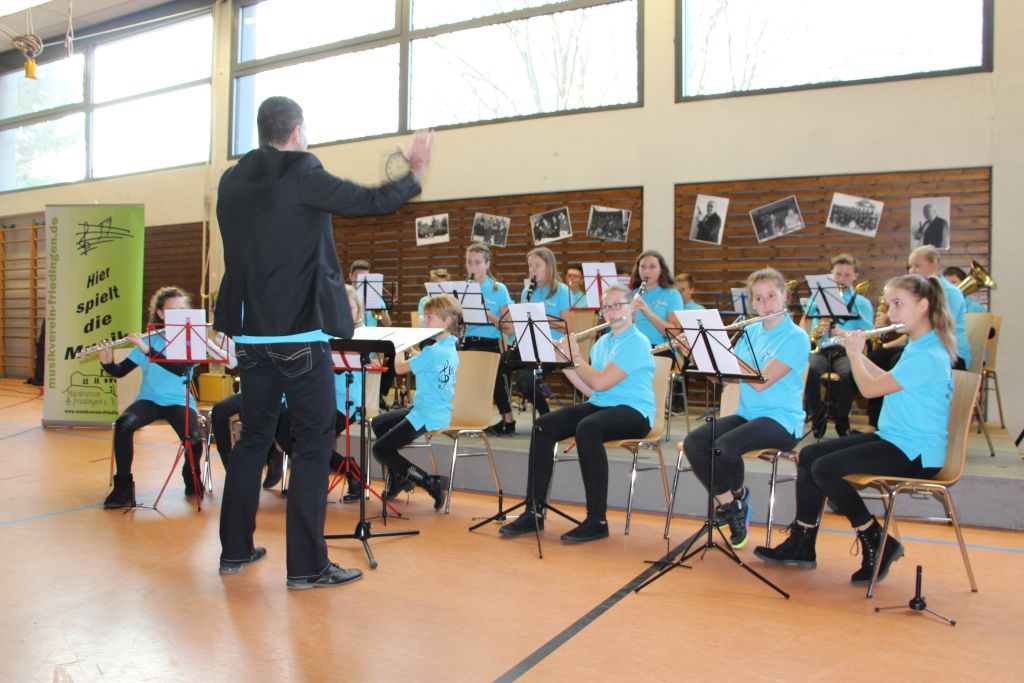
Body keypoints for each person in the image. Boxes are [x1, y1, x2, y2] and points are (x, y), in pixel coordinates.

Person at [214, 95, 432, 589]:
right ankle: (308, 566)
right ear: (295, 133)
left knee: (254, 438)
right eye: (305, 132)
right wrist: (415, 170)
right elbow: (372, 201)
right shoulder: (302, 170)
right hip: (299, 333)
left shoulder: (231, 180)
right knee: (313, 444)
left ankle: (235, 549)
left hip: (249, 334)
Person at [755, 274, 955, 585]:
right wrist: (857, 353)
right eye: (889, 305)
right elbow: (887, 380)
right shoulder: (918, 346)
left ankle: (874, 537)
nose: (891, 313)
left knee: (825, 468)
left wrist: (853, 355)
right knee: (810, 455)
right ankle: (803, 541)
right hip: (896, 438)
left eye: (898, 304)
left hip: (916, 451)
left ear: (923, 306)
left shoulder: (929, 354)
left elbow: (871, 389)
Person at [498, 284, 655, 543]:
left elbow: (601, 382)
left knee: (588, 428)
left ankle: (597, 520)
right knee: (543, 425)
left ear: (632, 308)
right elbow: (591, 390)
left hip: (635, 412)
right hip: (602, 405)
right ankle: (533, 512)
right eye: (606, 307)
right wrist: (566, 362)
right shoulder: (602, 343)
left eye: (617, 305)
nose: (611, 311)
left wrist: (576, 358)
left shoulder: (637, 342)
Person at [680, 269, 810, 549]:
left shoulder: (796, 337)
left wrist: (723, 352)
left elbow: (762, 381)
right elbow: (721, 378)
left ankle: (737, 495)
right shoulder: (751, 331)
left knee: (724, 446)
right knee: (695, 442)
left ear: (785, 296)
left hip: (781, 420)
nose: (766, 304)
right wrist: (698, 352)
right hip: (748, 415)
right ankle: (732, 506)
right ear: (752, 303)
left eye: (771, 296)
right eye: (759, 299)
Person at [99, 286, 205, 508]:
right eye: (172, 311)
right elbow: (120, 371)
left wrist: (147, 350)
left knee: (194, 440)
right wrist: (107, 362)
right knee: (123, 424)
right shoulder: (151, 339)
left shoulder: (192, 339)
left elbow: (180, 369)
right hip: (149, 399)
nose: (178, 315)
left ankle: (191, 474)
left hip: (179, 401)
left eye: (182, 310)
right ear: (160, 314)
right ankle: (123, 487)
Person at [371, 294, 462, 510]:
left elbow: (399, 368)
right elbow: (426, 361)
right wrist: (412, 351)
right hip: (431, 409)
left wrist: (399, 345)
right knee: (379, 423)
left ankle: (428, 482)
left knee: (380, 450)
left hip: (427, 414)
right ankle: (398, 477)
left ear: (447, 321)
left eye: (429, 317)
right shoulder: (448, 347)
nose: (424, 321)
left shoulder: (433, 351)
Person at [863, 246, 968, 432]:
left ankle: (880, 424)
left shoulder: (948, 293)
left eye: (917, 266)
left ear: (934, 264)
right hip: (921, 347)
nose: (912, 270)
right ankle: (878, 423)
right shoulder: (918, 294)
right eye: (909, 267)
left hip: (953, 355)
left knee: (895, 359)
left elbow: (929, 328)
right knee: (878, 356)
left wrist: (857, 353)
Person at [803, 254, 874, 438]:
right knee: (807, 369)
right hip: (822, 349)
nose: (841, 279)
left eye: (847, 275)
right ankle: (817, 413)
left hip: (846, 351)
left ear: (856, 275)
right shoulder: (819, 298)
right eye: (837, 274)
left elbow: (869, 331)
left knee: (851, 373)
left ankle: (840, 415)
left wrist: (841, 331)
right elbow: (808, 317)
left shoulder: (862, 303)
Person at [458, 243, 515, 434]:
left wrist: (487, 314)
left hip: (490, 343)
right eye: (469, 262)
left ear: (487, 264)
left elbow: (508, 326)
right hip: (468, 341)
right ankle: (466, 417)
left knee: (492, 376)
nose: (472, 267)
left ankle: (507, 419)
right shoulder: (463, 288)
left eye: (477, 263)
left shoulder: (499, 289)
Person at [512, 247, 571, 416]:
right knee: (497, 366)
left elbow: (567, 325)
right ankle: (506, 419)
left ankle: (545, 415)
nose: (533, 270)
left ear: (549, 266)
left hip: (552, 347)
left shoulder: (562, 290)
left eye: (537, 265)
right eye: (530, 265)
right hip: (530, 346)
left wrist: (540, 317)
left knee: (525, 380)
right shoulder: (528, 291)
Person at [630, 250, 684, 349]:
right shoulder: (633, 293)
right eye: (643, 267)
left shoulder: (672, 294)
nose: (646, 271)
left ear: (661, 270)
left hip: (661, 348)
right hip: (636, 346)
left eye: (652, 266)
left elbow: (675, 333)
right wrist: (629, 316)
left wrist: (648, 313)